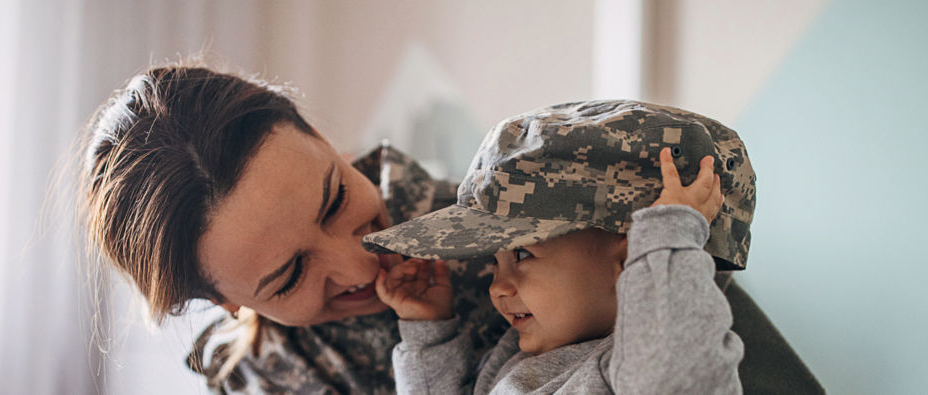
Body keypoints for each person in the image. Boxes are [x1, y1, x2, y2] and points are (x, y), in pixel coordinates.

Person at [78, 65, 823, 394]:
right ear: (231, 302)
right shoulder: (254, 381)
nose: (361, 261)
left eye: (336, 198)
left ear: (327, 140)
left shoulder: (537, 221)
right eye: (289, 276)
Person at [366, 100, 743, 394]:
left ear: (629, 261)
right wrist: (430, 331)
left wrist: (668, 239)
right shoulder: (516, 358)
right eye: (495, 262)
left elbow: (671, 377)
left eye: (522, 254)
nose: (496, 286)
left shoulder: (638, 367)